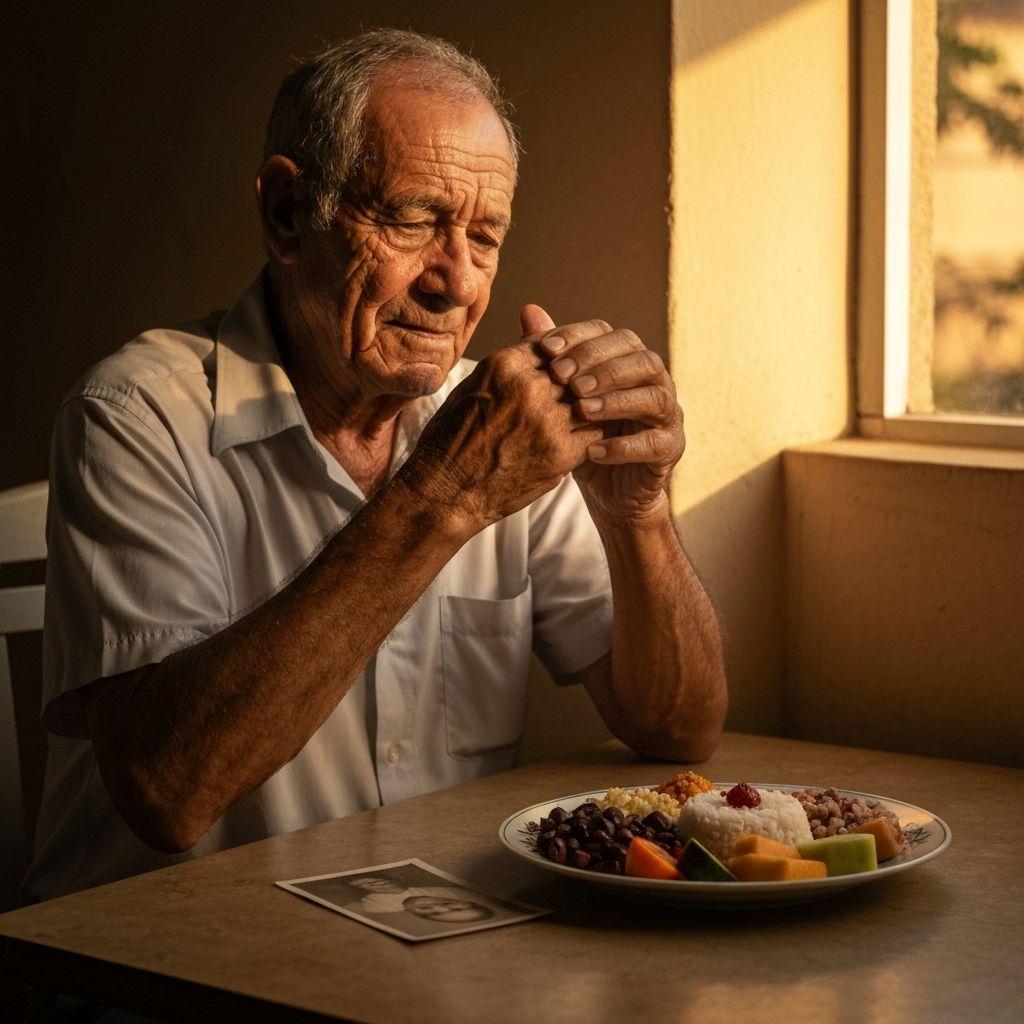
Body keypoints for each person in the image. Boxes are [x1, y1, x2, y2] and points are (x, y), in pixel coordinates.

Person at [25, 28, 727, 904]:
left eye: (485, 236)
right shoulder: (135, 415)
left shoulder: (496, 423)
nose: (457, 282)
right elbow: (168, 793)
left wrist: (638, 514)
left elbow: (676, 731)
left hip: (417, 946)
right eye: (414, 219)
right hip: (162, 955)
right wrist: (447, 494)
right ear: (289, 213)